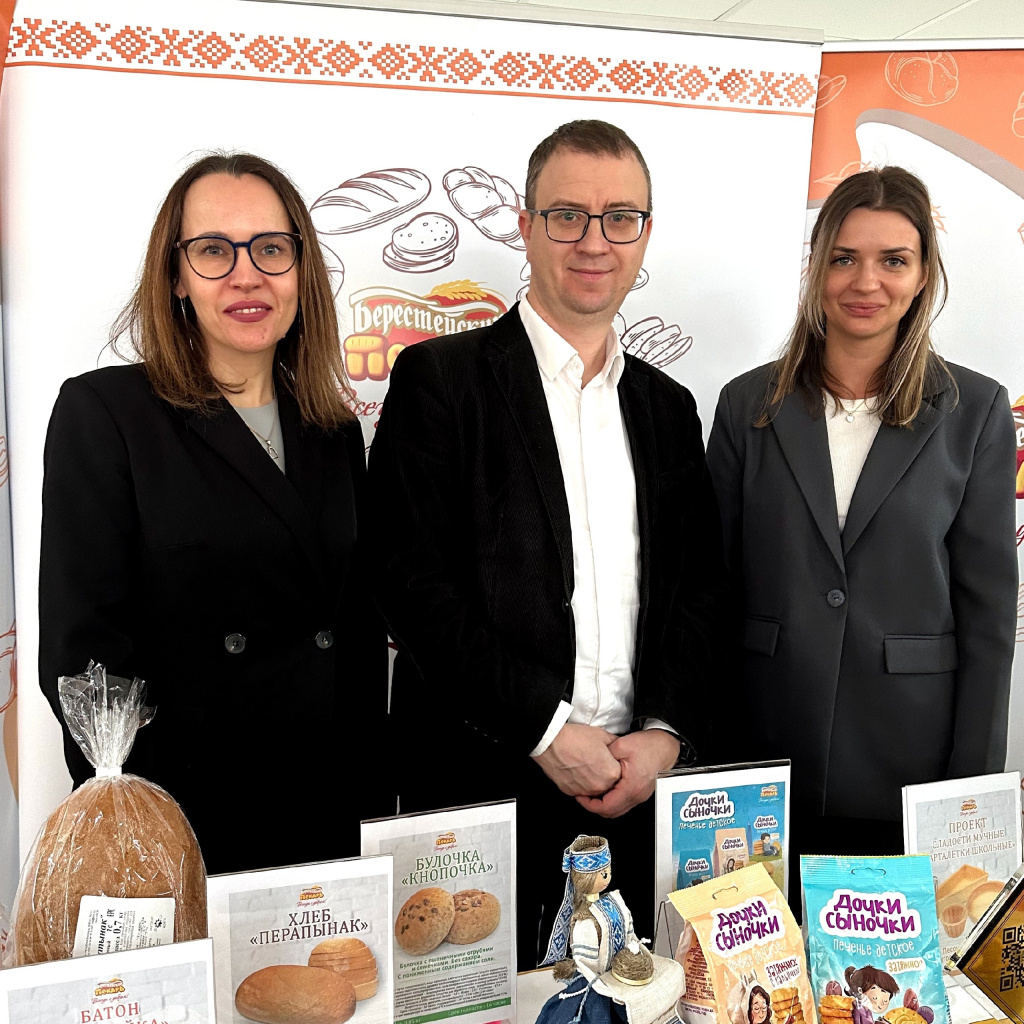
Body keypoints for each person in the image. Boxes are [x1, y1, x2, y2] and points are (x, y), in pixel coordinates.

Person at [369, 119, 724, 963]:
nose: (594, 242)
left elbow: (699, 588)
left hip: (634, 798)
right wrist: (545, 729)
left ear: (645, 236)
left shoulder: (669, 408)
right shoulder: (440, 381)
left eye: (620, 218)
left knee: (632, 1003)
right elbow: (411, 587)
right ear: (526, 228)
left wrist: (666, 736)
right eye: (568, 216)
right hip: (481, 791)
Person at [38, 152, 389, 874]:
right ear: (176, 276)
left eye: (271, 248)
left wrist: (370, 811)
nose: (247, 275)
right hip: (187, 823)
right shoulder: (107, 414)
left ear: (301, 269)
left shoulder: (332, 431)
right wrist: (139, 823)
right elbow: (84, 653)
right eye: (213, 250)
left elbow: (354, 643)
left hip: (325, 820)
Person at [706, 167, 1017, 887]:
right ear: (816, 267)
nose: (865, 282)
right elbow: (711, 593)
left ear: (923, 274)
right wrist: (707, 759)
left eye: (893, 260)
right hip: (762, 765)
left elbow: (988, 617)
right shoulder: (747, 405)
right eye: (844, 257)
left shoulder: (974, 412)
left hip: (908, 765)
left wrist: (966, 793)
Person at [536, 835, 684, 1024]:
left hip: (625, 969)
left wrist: (637, 952)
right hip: (601, 980)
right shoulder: (585, 922)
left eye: (608, 872)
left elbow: (630, 933)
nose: (607, 878)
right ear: (586, 879)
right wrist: (602, 982)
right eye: (603, 874)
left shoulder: (614, 902)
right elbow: (586, 963)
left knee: (666, 978)